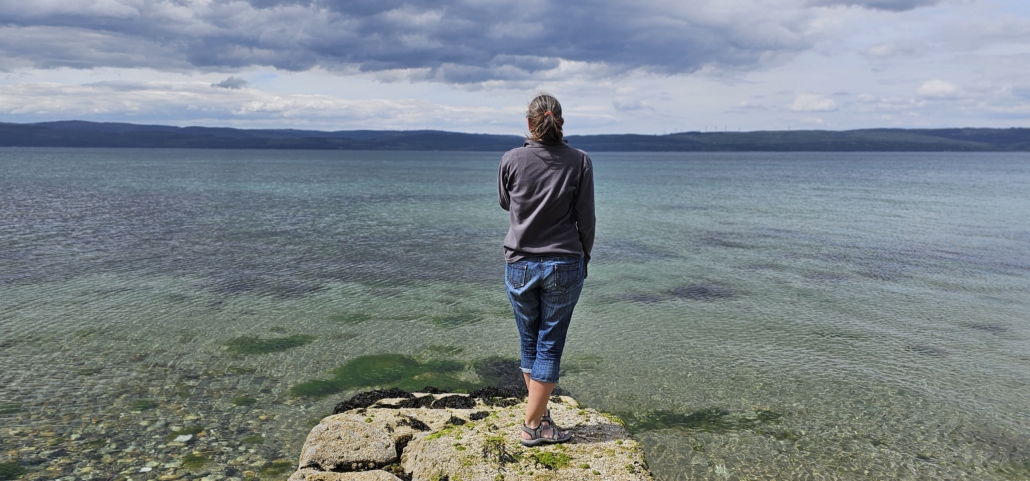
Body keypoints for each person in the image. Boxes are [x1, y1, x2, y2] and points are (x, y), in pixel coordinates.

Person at [497, 94, 595, 446]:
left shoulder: (511, 159)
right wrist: (584, 258)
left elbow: (506, 202)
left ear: (529, 123)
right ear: (561, 122)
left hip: (519, 263)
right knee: (549, 346)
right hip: (564, 263)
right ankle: (533, 426)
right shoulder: (580, 161)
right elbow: (586, 219)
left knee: (530, 342)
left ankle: (539, 418)